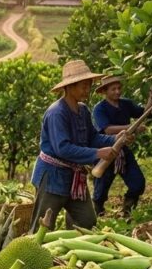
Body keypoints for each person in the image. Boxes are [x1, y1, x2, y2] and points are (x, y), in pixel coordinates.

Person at [29, 60, 118, 230]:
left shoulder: (83, 110)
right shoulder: (56, 113)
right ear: (69, 87)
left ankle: (67, 251)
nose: (87, 90)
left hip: (75, 178)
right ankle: (34, 252)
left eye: (89, 86)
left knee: (86, 221)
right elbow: (63, 149)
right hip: (53, 177)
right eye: (83, 86)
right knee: (43, 225)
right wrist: (98, 153)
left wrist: (115, 139)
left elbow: (92, 138)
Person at [92, 76, 152, 217]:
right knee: (100, 190)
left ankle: (127, 211)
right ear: (105, 91)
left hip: (123, 151)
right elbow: (107, 129)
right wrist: (132, 127)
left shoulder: (126, 104)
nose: (117, 91)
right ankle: (97, 213)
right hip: (107, 151)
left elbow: (144, 114)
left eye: (119, 88)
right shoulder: (99, 109)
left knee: (138, 183)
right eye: (113, 89)